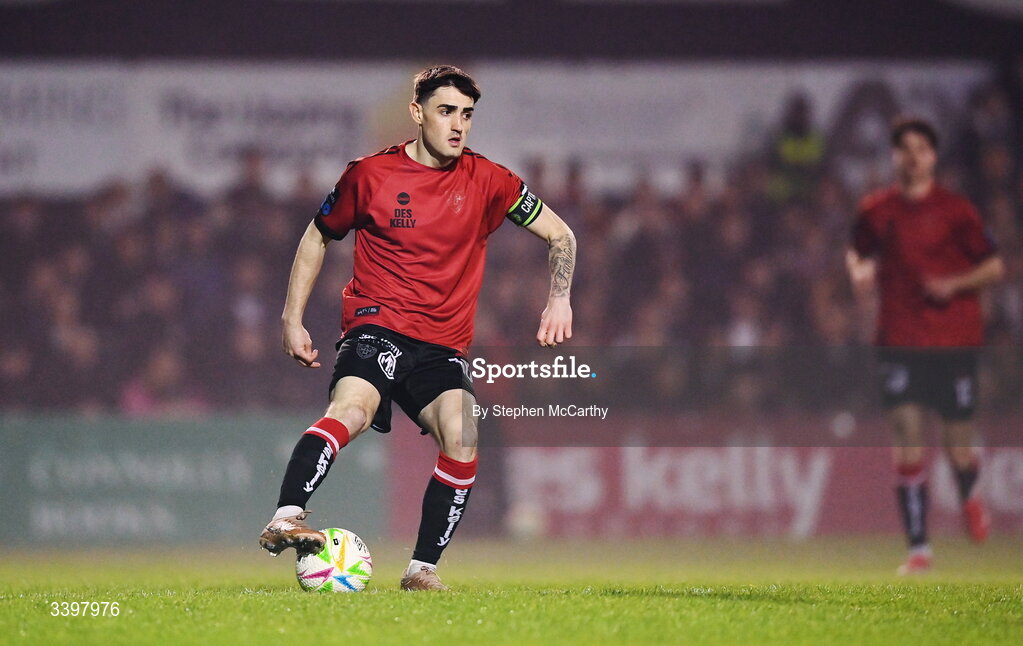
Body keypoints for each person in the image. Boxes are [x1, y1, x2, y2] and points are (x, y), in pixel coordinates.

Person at [257, 66, 576, 591]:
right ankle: (286, 516)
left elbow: (561, 235)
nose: (458, 125)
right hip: (376, 325)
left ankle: (421, 570)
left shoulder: (490, 180)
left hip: (440, 347)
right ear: (417, 113)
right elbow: (317, 237)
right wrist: (291, 317)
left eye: (467, 115)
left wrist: (559, 297)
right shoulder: (370, 175)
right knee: (352, 411)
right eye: (446, 111)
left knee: (464, 432)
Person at [846, 117, 1005, 576]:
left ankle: (970, 495)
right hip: (898, 339)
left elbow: (993, 266)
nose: (911, 157)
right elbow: (857, 249)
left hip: (953, 339)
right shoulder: (876, 211)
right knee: (906, 437)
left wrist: (956, 283)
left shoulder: (958, 211)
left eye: (920, 148)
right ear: (894, 157)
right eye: (903, 149)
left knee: (957, 444)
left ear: (933, 157)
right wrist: (858, 269)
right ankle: (919, 549)